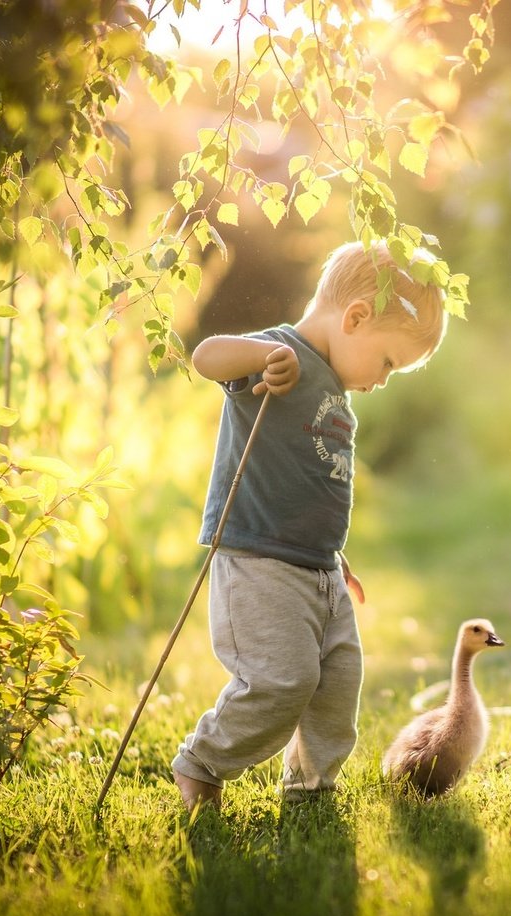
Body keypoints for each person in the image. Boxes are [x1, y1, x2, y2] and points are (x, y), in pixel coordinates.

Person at [171, 239, 447, 809]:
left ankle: (311, 787)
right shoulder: (279, 353)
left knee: (338, 684)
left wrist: (333, 551)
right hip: (260, 561)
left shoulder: (337, 393)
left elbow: (311, 483)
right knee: (282, 681)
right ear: (356, 317)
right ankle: (203, 762)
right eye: (390, 362)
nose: (384, 380)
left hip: (319, 568)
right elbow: (206, 356)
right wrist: (259, 360)